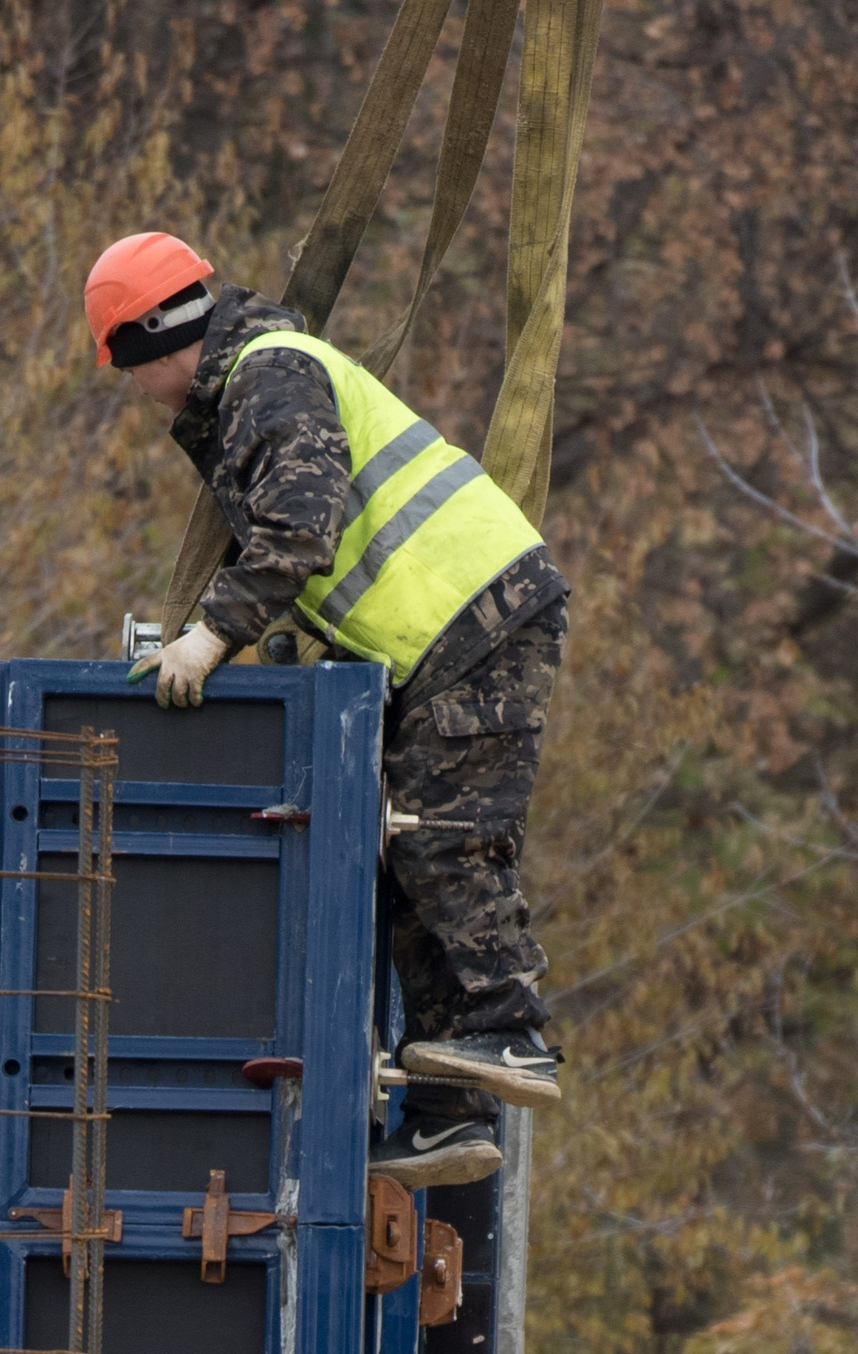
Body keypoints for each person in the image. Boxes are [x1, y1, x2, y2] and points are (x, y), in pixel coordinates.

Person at [89, 231, 566, 1189]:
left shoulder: (268, 376)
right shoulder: (258, 383)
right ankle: (448, 1113)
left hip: (478, 619)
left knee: (444, 840)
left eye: (127, 368)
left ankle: (512, 1030)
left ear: (155, 340)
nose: (135, 391)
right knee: (400, 855)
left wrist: (208, 638)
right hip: (442, 638)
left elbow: (301, 529)